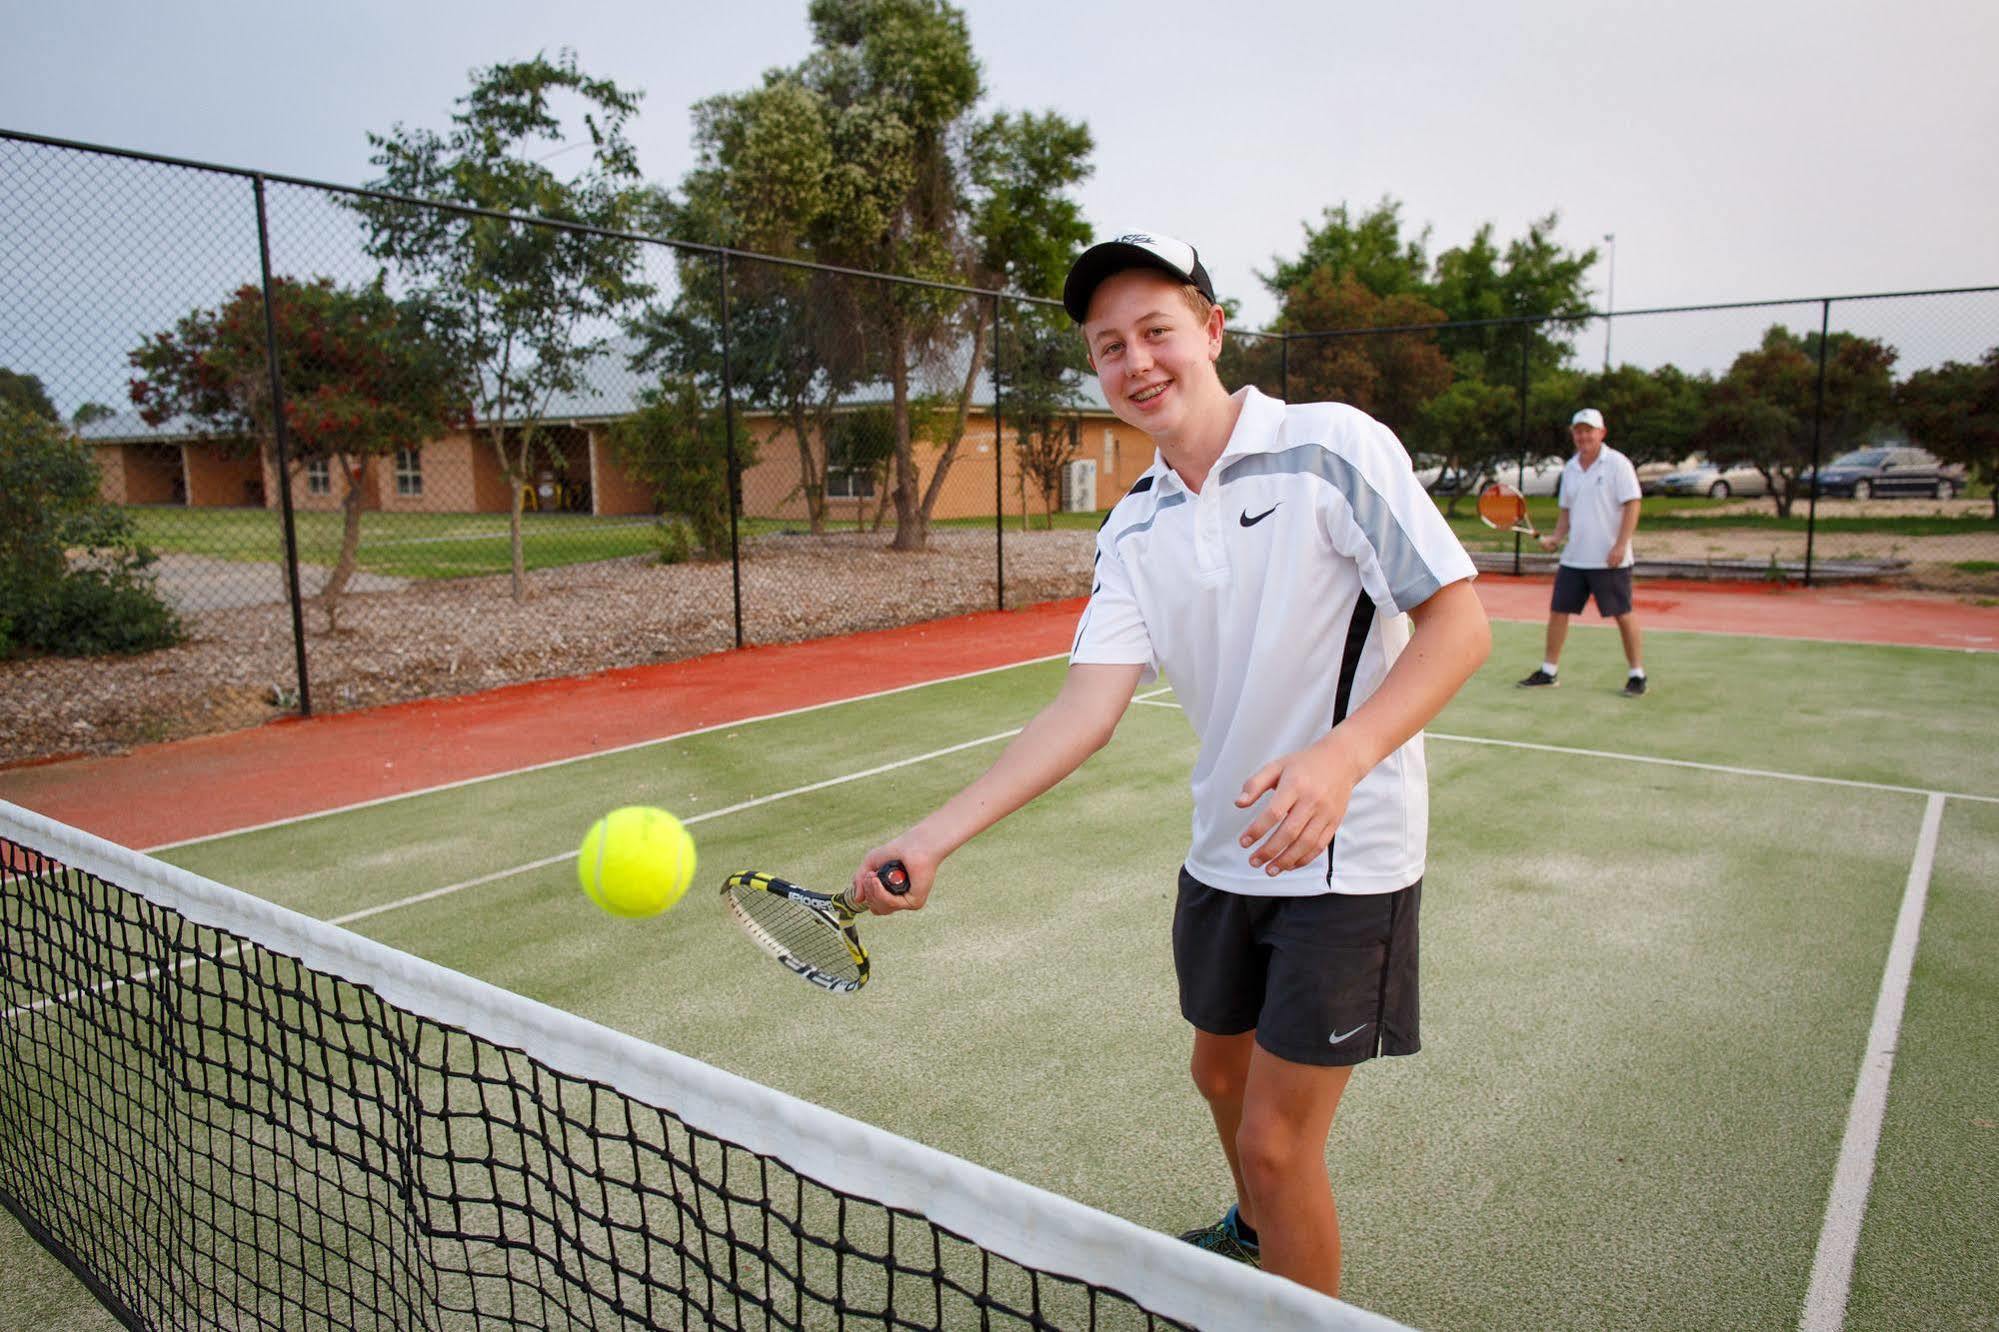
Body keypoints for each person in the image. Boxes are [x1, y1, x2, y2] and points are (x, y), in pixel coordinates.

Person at [849, 232, 1491, 1297]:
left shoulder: (1329, 448)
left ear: (1211, 330)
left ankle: (1282, 1262)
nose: (1136, 362)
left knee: (1283, 1150)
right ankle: (1255, 1226)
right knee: (1216, 1074)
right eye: (1109, 346)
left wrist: (1340, 758)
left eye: (1156, 331)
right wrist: (930, 839)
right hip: (1223, 852)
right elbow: (1084, 710)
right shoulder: (1133, 523)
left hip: (1345, 856)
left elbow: (1458, 627)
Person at [1516, 408, 1648, 696]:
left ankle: (1637, 673)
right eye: (1578, 431)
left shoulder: (1617, 464)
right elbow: (1567, 513)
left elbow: (1633, 505)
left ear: (1602, 433)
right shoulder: (1571, 469)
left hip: (1610, 560)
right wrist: (1556, 538)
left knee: (1623, 614)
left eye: (1589, 430)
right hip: (1574, 558)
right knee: (1559, 612)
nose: (1583, 436)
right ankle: (1549, 671)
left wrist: (1620, 545)